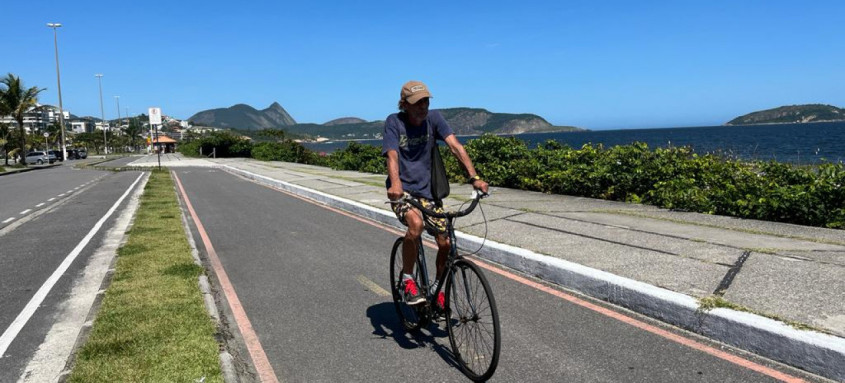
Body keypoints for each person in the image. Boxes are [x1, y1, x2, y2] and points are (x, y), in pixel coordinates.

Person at [382, 80, 489, 312]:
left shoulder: (434, 119)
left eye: (426, 101)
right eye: (417, 103)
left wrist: (474, 178)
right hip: (403, 192)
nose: (423, 107)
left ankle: (438, 292)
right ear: (404, 104)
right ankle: (408, 279)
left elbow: (455, 147)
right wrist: (396, 185)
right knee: (416, 224)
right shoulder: (394, 122)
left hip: (429, 194)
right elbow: (392, 155)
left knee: (446, 243)